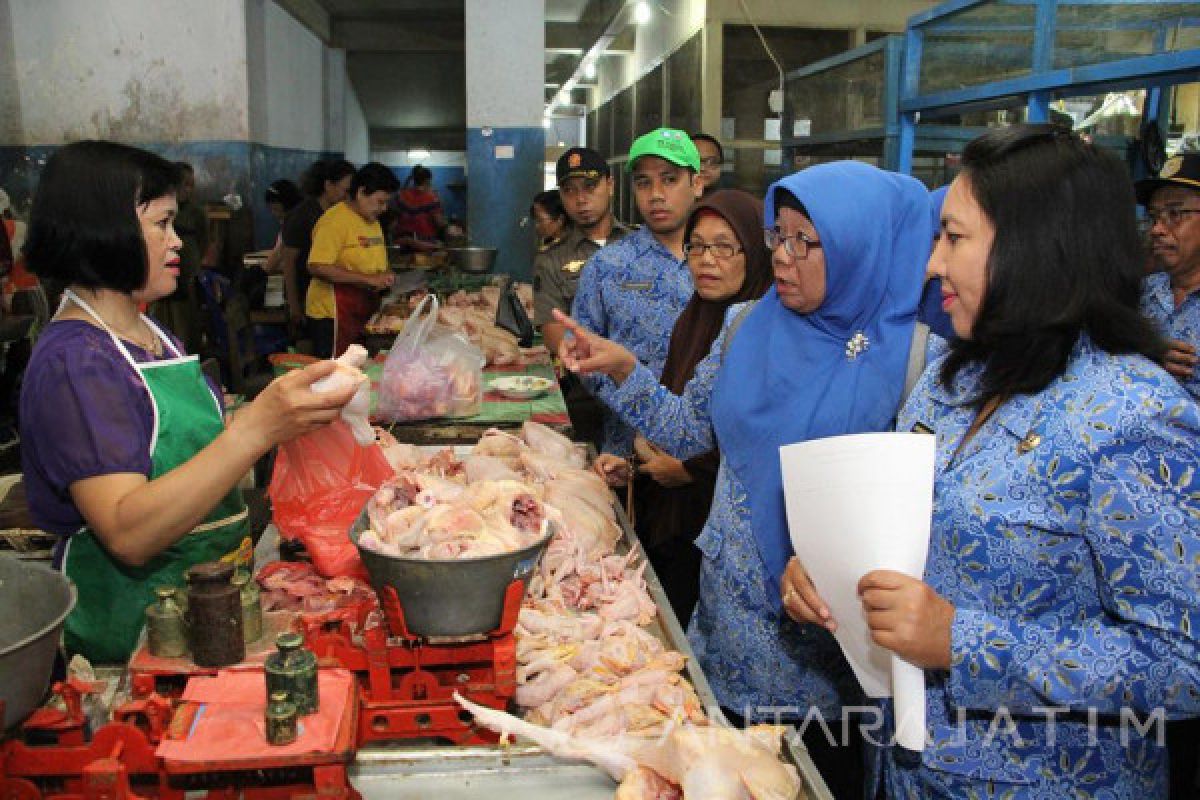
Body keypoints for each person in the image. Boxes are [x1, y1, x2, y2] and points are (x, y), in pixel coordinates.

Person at [783, 125, 1200, 799]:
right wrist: (829, 575)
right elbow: (906, 533)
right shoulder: (950, 378)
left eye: (954, 238)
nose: (930, 264)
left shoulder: (1133, 414)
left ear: (1033, 249)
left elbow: (1184, 661)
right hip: (901, 769)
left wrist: (962, 642)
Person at [554, 160, 930, 799]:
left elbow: (917, 524)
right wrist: (622, 370)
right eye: (775, 236)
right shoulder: (746, 325)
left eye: (802, 242)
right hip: (721, 629)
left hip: (821, 664)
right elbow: (686, 428)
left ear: (859, 247)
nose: (780, 256)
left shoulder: (915, 364)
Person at [18, 140, 360, 663]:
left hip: (207, 609)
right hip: (137, 638)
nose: (178, 241)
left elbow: (188, 450)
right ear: (103, 229)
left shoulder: (147, 331)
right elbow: (128, 531)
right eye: (161, 224)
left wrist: (290, 413)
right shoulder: (78, 361)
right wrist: (256, 430)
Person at [598, 189, 772, 625]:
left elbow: (762, 445)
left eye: (723, 247)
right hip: (674, 519)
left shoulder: (765, 334)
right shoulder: (695, 318)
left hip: (724, 534)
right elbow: (683, 416)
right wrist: (637, 468)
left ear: (754, 251)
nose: (705, 259)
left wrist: (692, 471)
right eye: (696, 246)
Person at [571, 128, 700, 459]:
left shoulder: (723, 262)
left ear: (696, 184)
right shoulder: (606, 266)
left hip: (710, 462)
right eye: (644, 183)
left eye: (669, 179)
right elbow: (585, 358)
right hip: (626, 456)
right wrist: (641, 412)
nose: (656, 194)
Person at [305, 162, 398, 358]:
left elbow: (377, 258)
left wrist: (385, 274)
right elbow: (317, 266)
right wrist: (369, 280)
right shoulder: (334, 221)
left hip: (360, 308)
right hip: (333, 315)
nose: (384, 208)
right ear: (361, 192)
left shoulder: (372, 221)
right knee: (335, 376)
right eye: (380, 201)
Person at [1136, 152, 1200, 402]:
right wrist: (1145, 355)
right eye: (1153, 217)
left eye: (1175, 214)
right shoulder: (1138, 294)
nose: (1157, 230)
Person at [280, 159, 355, 345]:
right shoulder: (303, 215)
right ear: (328, 185)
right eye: (345, 191)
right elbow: (288, 262)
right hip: (305, 293)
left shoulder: (339, 215)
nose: (348, 197)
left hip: (330, 297)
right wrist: (294, 306)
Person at [151, 162, 205, 353]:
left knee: (186, 324)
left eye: (192, 185)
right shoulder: (158, 211)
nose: (189, 190)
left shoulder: (196, 213)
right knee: (161, 319)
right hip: (162, 275)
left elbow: (203, 240)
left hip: (187, 275)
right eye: (185, 185)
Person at [391, 165, 446, 252]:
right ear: (427, 180)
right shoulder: (431, 198)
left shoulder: (400, 196)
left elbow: (393, 222)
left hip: (403, 243)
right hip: (425, 244)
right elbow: (439, 222)